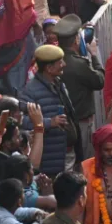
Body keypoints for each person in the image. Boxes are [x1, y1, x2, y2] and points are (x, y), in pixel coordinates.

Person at [20, 45, 81, 175]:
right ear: (49, 68)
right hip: (48, 159)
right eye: (60, 62)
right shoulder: (30, 92)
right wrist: (49, 122)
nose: (64, 64)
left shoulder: (59, 85)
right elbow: (22, 121)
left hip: (65, 154)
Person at [55, 15, 105, 159]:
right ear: (77, 39)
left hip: (63, 123)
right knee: (86, 161)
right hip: (81, 123)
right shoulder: (79, 64)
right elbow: (99, 81)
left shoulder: (55, 61)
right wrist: (94, 56)